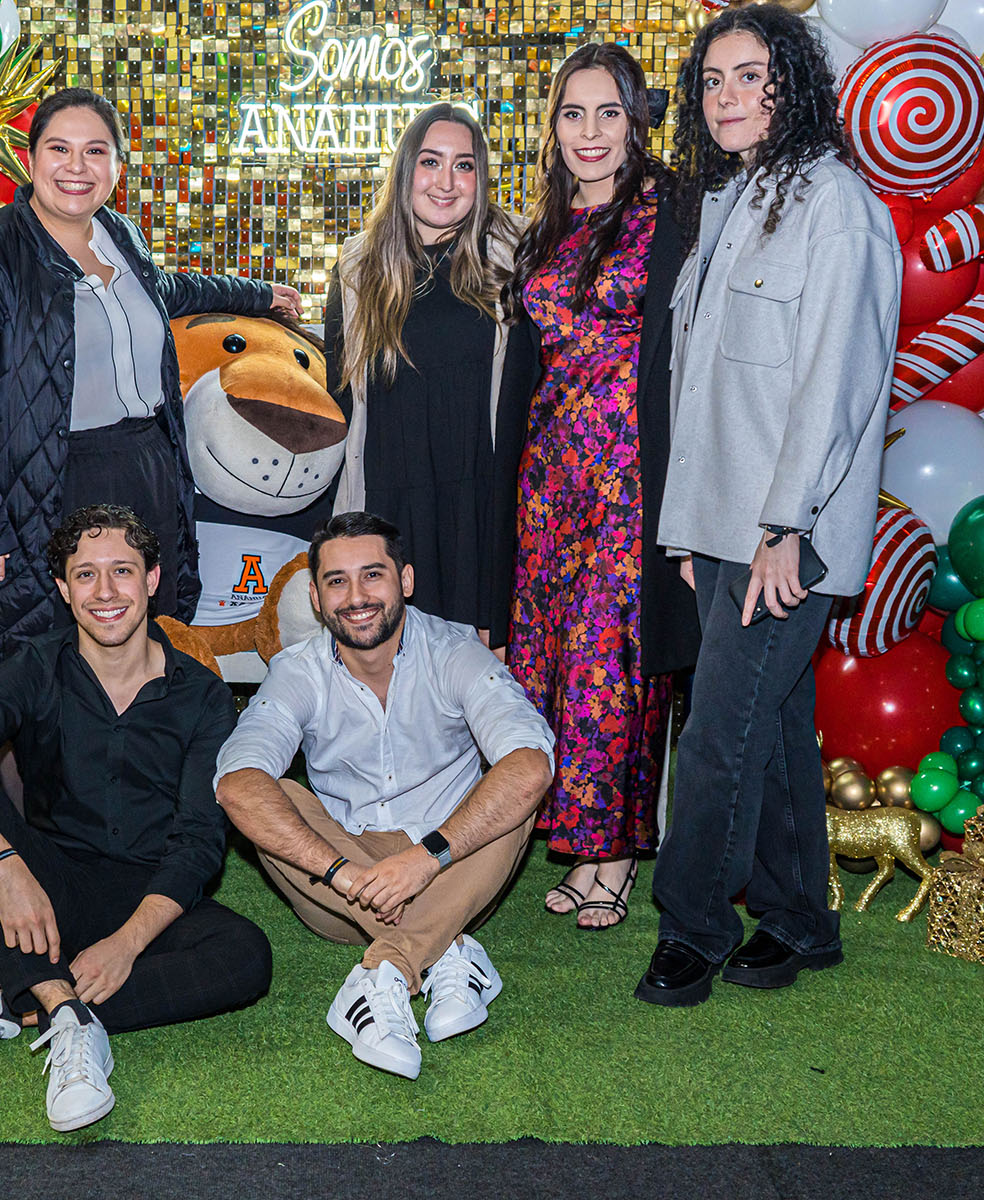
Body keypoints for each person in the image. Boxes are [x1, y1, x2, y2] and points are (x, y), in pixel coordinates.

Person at [638, 5, 900, 1007]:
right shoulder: (736, 201)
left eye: (751, 76)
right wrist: (691, 533)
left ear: (795, 83)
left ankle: (694, 929)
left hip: (786, 533)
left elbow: (836, 383)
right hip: (722, 529)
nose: (727, 96)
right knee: (779, 723)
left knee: (716, 734)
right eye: (712, 80)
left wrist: (785, 527)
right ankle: (799, 921)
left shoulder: (837, 206)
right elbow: (704, 390)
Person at [0, 87, 304, 702]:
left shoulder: (116, 233)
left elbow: (163, 291)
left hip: (144, 476)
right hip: (46, 490)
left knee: (142, 661)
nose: (76, 166)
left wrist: (255, 296)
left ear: (118, 166)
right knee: (45, 681)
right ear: (31, 158)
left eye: (95, 151)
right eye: (58, 148)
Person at [0, 504, 272, 1131]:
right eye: (86, 575)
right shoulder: (34, 667)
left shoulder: (203, 693)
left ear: (151, 580)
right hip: (50, 883)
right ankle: (67, 1017)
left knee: (246, 957)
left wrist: (128, 944)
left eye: (122, 571)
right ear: (63, 589)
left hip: (148, 893)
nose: (105, 592)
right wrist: (8, 868)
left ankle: (15, 998)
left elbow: (199, 842)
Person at [215, 512, 554, 1081]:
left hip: (452, 869)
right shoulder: (297, 670)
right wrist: (344, 873)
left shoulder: (455, 649)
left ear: (406, 581)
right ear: (318, 600)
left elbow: (528, 764)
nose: (356, 597)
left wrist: (425, 860)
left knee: (515, 782)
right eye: (337, 581)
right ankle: (445, 949)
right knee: (267, 796)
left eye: (372, 575)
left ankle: (388, 972)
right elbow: (237, 779)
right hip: (346, 893)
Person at [503, 43, 697, 928]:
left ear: (636, 123)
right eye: (573, 114)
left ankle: (613, 852)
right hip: (548, 479)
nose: (590, 132)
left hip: (631, 478)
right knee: (547, 662)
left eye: (608, 113)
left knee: (612, 664)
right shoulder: (542, 230)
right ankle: (572, 842)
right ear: (552, 127)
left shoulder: (675, 213)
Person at [324, 103, 540, 651]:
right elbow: (341, 403)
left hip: (480, 503)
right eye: (430, 162)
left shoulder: (518, 255)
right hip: (390, 502)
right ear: (405, 171)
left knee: (482, 681)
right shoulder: (356, 268)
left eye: (464, 166)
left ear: (481, 177)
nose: (446, 182)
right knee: (389, 672)